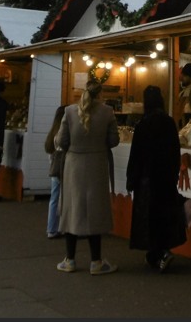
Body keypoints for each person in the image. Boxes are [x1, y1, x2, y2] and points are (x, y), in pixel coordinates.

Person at [55, 78, 120, 275]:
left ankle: (70, 259)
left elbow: (61, 141)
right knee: (95, 210)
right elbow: (114, 140)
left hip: (73, 165)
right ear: (101, 94)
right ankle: (96, 261)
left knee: (72, 209)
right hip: (97, 165)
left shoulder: (69, 112)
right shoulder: (108, 112)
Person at [126, 85, 185, 272]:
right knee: (164, 215)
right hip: (166, 177)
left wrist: (131, 178)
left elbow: (136, 154)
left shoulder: (143, 125)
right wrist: (174, 173)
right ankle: (159, 253)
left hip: (147, 179)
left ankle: (158, 253)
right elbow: (176, 151)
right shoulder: (169, 122)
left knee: (149, 219)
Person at [44, 105, 66, 239]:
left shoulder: (53, 132)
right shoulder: (63, 133)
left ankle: (51, 228)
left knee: (54, 199)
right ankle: (63, 227)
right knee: (64, 198)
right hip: (63, 169)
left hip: (54, 168)